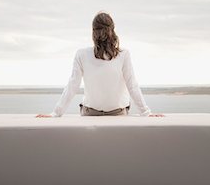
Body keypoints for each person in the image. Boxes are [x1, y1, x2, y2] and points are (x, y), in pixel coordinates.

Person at [36, 11, 164, 118]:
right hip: (118, 113)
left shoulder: (81, 54)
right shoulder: (124, 54)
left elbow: (73, 85)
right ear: (112, 31)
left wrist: (56, 113)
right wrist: (146, 112)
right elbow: (132, 85)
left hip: (89, 113)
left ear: (93, 32)